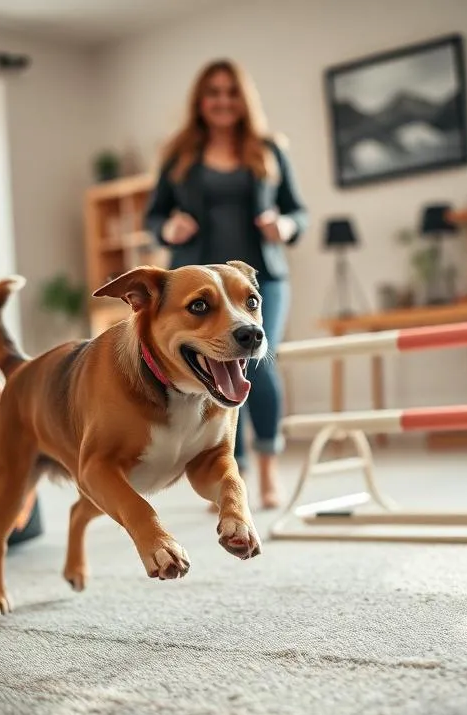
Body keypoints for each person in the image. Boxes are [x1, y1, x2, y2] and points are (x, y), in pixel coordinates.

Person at [143, 58, 308, 509]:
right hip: (196, 286)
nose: (222, 100)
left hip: (261, 279)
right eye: (213, 92)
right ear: (201, 100)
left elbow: (299, 211)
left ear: (243, 99)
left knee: (259, 364)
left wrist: (286, 227)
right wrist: (168, 228)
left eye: (230, 92)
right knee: (213, 368)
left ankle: (269, 470)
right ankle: (229, 474)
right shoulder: (179, 155)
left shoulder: (269, 150)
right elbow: (154, 216)